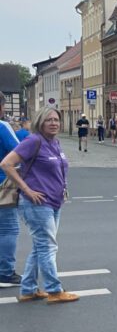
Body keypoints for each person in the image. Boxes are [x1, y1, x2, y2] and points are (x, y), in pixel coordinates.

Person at [0, 108, 77, 304]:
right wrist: (27, 189)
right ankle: (54, 290)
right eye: (48, 120)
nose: (53, 123)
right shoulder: (33, 141)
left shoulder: (55, 142)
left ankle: (28, 289)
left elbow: (57, 171)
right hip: (37, 203)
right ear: (40, 123)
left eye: (56, 120)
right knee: (48, 247)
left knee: (40, 246)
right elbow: (7, 164)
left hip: (53, 201)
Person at [0, 117, 21, 288]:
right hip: (2, 186)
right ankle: (5, 272)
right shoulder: (2, 126)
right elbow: (20, 152)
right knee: (8, 229)